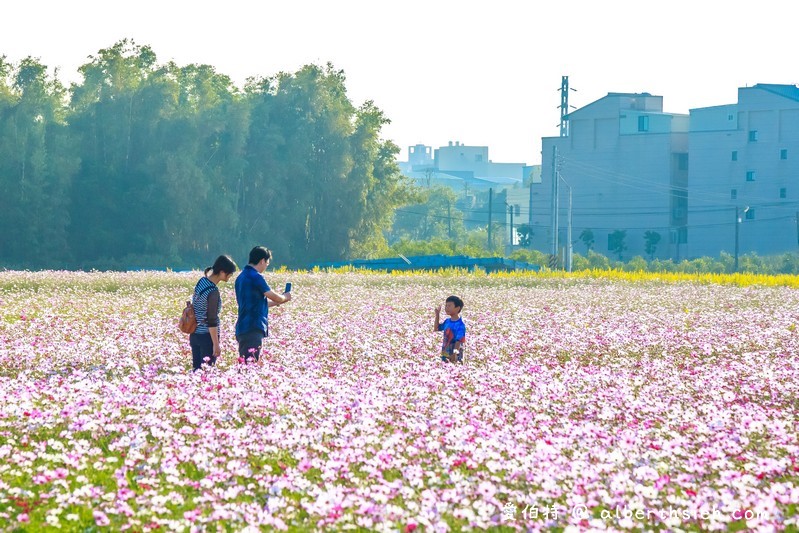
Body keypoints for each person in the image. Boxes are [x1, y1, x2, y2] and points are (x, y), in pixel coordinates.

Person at [235, 246, 292, 363]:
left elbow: (253, 303)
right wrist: (285, 297)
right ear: (262, 261)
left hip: (242, 327)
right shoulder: (256, 276)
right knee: (250, 364)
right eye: (267, 263)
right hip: (253, 327)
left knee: (245, 362)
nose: (266, 266)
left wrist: (276, 303)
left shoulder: (240, 277)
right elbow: (272, 294)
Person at [190, 255, 238, 371]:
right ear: (222, 272)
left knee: (196, 371)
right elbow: (212, 320)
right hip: (206, 337)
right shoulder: (213, 292)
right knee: (207, 374)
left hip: (194, 334)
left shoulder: (202, 281)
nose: (230, 276)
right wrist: (216, 345)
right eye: (230, 273)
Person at [434, 295, 466, 363]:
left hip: (454, 354)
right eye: (446, 306)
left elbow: (458, 341)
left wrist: (454, 354)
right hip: (445, 352)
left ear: (457, 308)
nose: (447, 308)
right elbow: (436, 328)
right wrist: (437, 315)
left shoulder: (460, 325)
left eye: (449, 306)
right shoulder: (447, 321)